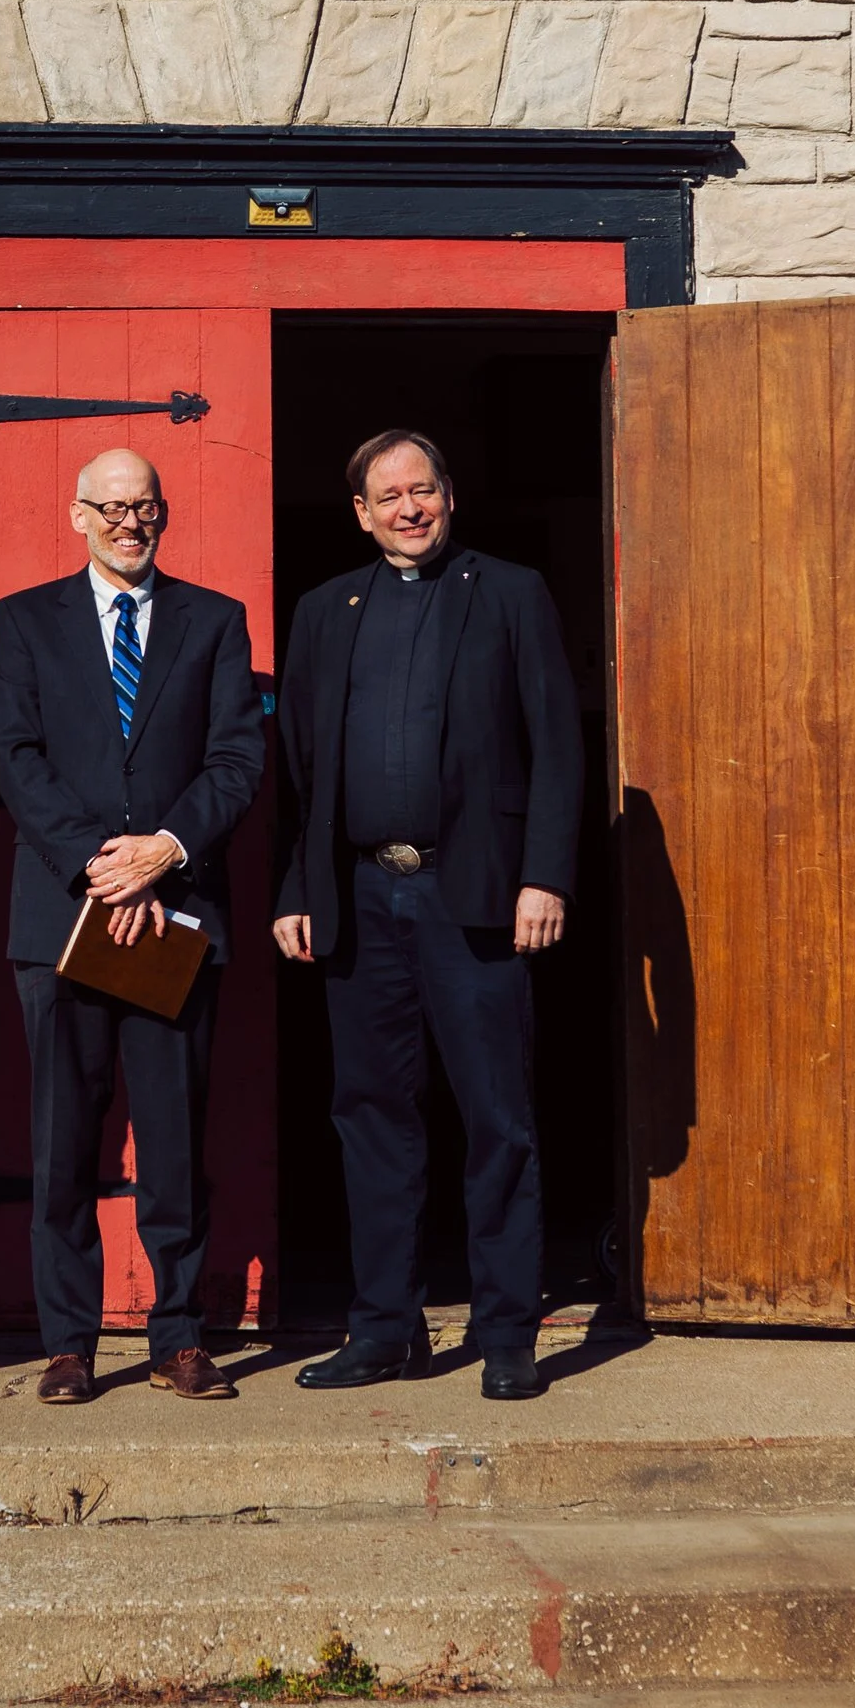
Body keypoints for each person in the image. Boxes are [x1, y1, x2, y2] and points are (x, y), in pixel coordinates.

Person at [273, 428, 582, 1403]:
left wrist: (546, 875)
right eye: (386, 496)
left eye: (423, 489)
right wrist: (298, 889)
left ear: (450, 494)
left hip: (477, 896)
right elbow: (300, 769)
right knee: (370, 1119)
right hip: (362, 898)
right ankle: (384, 1330)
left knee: (497, 1119)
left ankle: (504, 1336)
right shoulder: (327, 611)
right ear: (360, 514)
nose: (408, 508)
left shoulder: (510, 593)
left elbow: (557, 745)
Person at [0, 447, 267, 1408]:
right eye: (109, 507)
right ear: (78, 516)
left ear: (164, 513)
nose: (127, 522)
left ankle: (178, 1336)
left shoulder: (214, 622)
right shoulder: (24, 621)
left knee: (174, 1141)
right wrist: (103, 864)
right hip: (65, 916)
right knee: (64, 1141)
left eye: (143, 506)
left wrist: (166, 849)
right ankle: (68, 1342)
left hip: (176, 916)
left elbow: (238, 757)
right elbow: (16, 756)